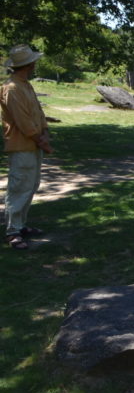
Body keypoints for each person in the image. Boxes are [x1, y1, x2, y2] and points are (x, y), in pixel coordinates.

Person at [1, 45, 54, 250]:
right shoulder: (12, 88)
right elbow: (22, 121)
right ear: (28, 64)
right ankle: (13, 231)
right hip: (22, 145)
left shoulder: (25, 84)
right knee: (19, 186)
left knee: (31, 185)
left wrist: (45, 131)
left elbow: (37, 112)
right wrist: (39, 139)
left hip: (34, 143)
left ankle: (21, 225)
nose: (35, 64)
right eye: (33, 61)